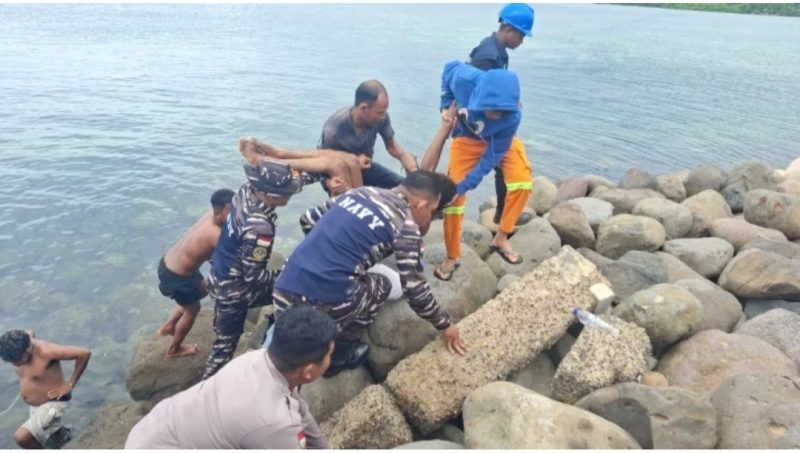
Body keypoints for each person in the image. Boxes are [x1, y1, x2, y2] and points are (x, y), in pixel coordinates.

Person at [273, 170, 466, 378]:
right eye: (433, 211)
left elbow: (307, 219)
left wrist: (329, 252)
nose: (430, 218)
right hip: (322, 303)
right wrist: (445, 324)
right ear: (421, 204)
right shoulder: (405, 224)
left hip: (284, 287)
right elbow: (414, 289)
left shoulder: (361, 192)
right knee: (384, 284)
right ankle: (341, 349)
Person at [125, 305, 335, 449]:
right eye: (329, 355)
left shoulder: (258, 359)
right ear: (308, 371)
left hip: (151, 430)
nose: (330, 359)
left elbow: (300, 409)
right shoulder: (274, 422)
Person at [201, 158, 325, 379]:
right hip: (234, 292)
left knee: (224, 340)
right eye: (287, 192)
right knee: (225, 346)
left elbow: (292, 180)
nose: (291, 194)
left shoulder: (245, 191)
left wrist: (324, 172)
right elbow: (255, 277)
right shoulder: (259, 227)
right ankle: (208, 387)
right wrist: (288, 272)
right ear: (272, 195)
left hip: (220, 274)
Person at [435, 61, 533, 281]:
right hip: (466, 139)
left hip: (499, 142)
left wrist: (467, 184)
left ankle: (501, 237)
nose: (495, 116)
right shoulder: (463, 79)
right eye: (492, 109)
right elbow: (447, 69)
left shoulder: (513, 117)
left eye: (501, 111)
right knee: (453, 199)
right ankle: (452, 255)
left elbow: (490, 159)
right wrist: (445, 106)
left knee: (522, 183)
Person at [468, 3, 536, 229]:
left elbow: (493, 89)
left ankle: (502, 213)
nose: (522, 41)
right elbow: (473, 93)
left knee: (500, 165)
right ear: (508, 29)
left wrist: (511, 101)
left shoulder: (497, 51)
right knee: (497, 163)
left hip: (491, 121)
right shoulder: (488, 56)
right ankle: (502, 214)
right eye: (521, 35)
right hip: (482, 124)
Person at [156, 188, 234, 358]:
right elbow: (227, 261)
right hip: (179, 277)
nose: (235, 216)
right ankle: (174, 349)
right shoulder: (216, 234)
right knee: (193, 309)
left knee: (201, 291)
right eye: (231, 212)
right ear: (218, 213)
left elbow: (206, 252)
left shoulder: (208, 216)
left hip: (167, 264)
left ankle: (168, 326)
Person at [318, 80, 418, 192]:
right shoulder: (334, 129)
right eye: (379, 112)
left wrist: (407, 161)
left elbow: (391, 146)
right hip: (341, 176)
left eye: (384, 111)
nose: (383, 116)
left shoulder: (381, 118)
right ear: (363, 108)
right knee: (359, 199)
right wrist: (328, 183)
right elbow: (321, 165)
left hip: (367, 169)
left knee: (405, 189)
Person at [0, 330, 91, 449]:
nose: (15, 364)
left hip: (52, 403)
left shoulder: (46, 351)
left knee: (22, 437)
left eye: (18, 360)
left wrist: (70, 383)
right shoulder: (24, 341)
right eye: (12, 362)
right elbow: (30, 331)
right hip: (36, 406)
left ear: (28, 348)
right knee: (51, 434)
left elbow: (84, 353)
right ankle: (62, 435)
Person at [239, 136, 372, 196]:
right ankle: (278, 155)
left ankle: (269, 159)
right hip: (363, 205)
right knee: (348, 161)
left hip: (361, 214)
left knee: (338, 165)